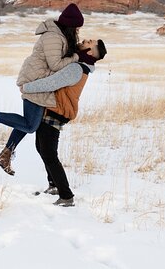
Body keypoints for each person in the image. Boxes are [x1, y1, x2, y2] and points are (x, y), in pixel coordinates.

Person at [0, 3, 84, 174]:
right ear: (70, 25)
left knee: (27, 122)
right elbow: (56, 64)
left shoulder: (59, 36)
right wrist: (76, 57)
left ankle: (5, 155)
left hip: (39, 79)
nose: (77, 32)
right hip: (34, 80)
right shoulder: (53, 36)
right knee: (30, 125)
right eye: (76, 28)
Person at [27, 38, 107, 207]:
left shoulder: (76, 69)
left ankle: (66, 196)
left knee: (49, 154)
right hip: (55, 109)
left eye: (89, 43)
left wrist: (26, 87)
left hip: (58, 111)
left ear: (90, 52)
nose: (86, 40)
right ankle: (54, 185)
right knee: (41, 148)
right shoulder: (80, 67)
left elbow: (51, 83)